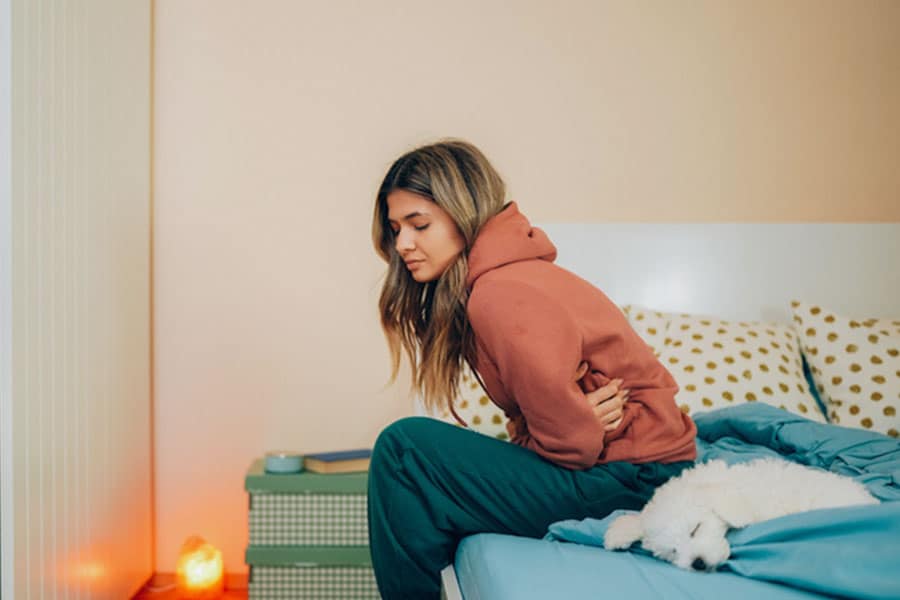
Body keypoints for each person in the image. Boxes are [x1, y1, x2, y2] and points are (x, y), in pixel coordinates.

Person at [368, 138, 697, 599]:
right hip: (635, 469)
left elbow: (572, 445)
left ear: (463, 215)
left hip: (635, 478)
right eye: (395, 228)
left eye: (419, 225)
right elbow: (554, 428)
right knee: (416, 464)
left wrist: (573, 424)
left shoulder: (499, 294)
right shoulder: (502, 280)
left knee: (403, 453)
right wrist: (562, 424)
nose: (403, 244)